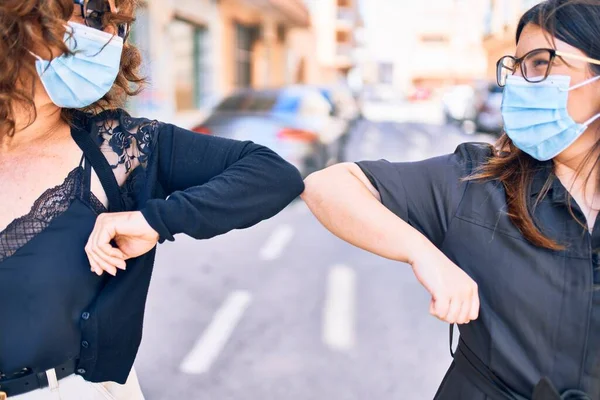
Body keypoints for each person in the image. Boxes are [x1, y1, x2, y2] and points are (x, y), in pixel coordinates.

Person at [0, 0, 304, 398]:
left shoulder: (120, 148)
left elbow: (273, 174)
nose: (107, 36)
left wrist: (153, 221)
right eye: (89, 13)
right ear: (16, 19)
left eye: (113, 23)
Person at [302, 0, 600, 398]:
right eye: (518, 66)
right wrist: (422, 253)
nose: (520, 82)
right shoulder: (478, 179)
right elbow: (328, 187)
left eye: (543, 63)